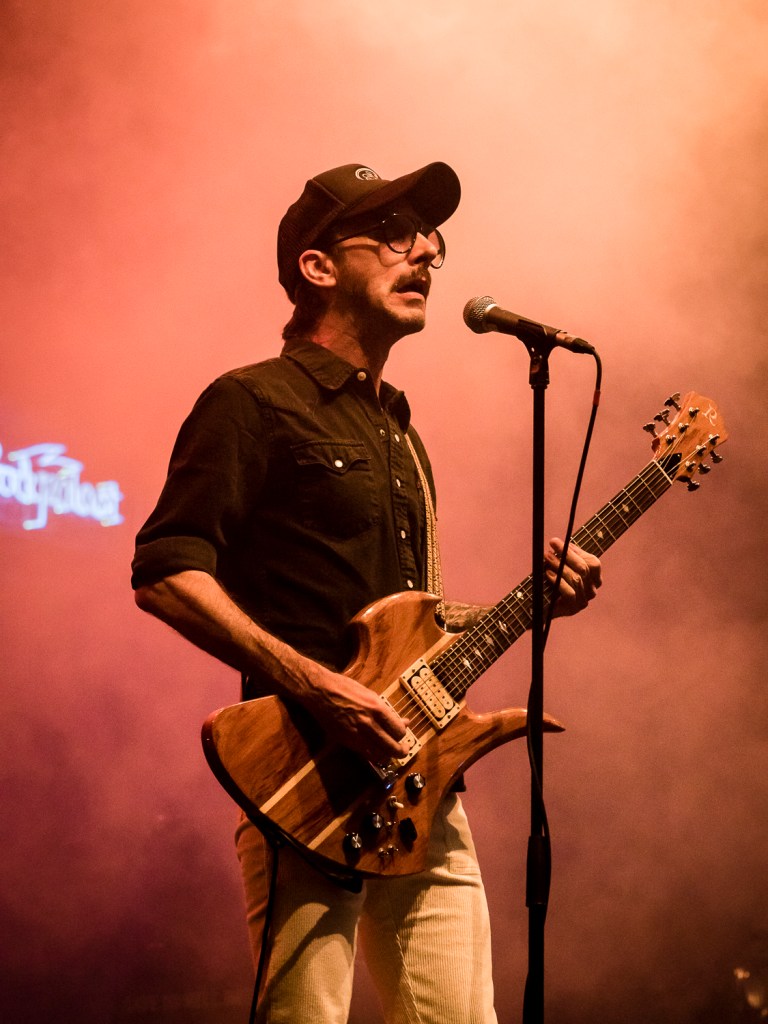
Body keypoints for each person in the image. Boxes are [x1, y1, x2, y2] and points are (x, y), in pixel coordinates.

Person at [131, 160, 602, 1024]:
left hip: (424, 788)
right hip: (305, 778)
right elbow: (165, 569)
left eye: (432, 239)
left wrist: (541, 600)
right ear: (317, 267)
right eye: (393, 233)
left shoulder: (401, 430)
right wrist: (313, 683)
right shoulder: (251, 403)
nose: (425, 250)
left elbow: (410, 625)